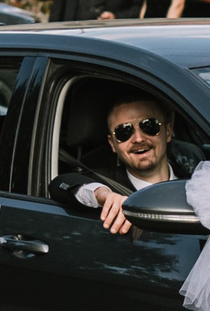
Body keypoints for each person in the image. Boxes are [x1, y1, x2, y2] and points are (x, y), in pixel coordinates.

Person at [69, 95, 181, 234]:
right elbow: (62, 184)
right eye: (124, 132)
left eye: (149, 126)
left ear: (168, 131)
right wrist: (101, 194)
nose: (138, 139)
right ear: (113, 144)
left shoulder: (196, 181)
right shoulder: (108, 187)